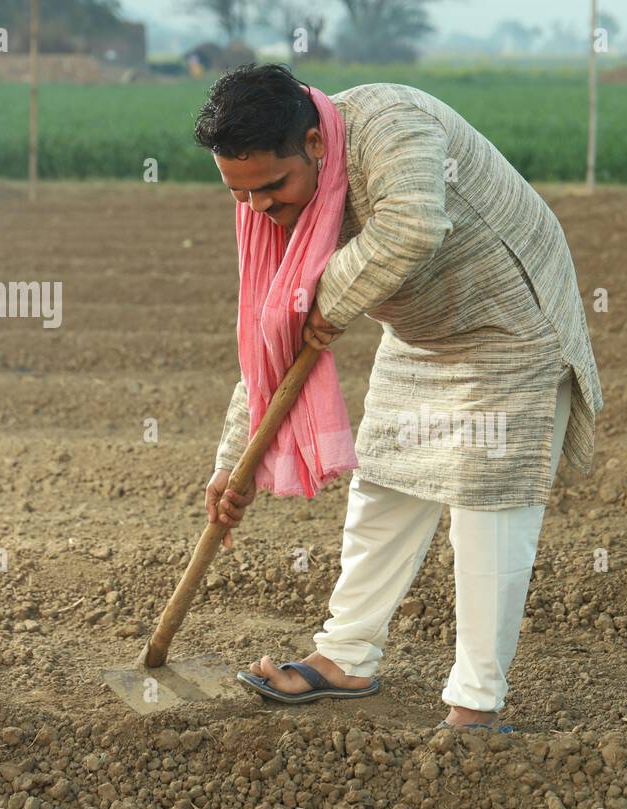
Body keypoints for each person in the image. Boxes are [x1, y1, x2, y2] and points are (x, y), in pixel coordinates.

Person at [195, 65, 603, 731]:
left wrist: (324, 302)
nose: (258, 208)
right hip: (423, 329)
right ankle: (345, 658)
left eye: (271, 187)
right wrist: (232, 457)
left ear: (315, 144)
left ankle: (476, 704)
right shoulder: (267, 205)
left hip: (510, 321)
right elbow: (273, 331)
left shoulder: (390, 125)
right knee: (384, 484)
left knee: (487, 501)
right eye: (240, 194)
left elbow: (413, 228)